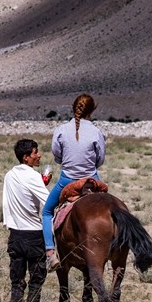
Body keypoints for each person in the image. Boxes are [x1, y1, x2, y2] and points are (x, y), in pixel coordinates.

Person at [43, 93, 106, 271]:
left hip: (67, 180)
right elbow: (100, 159)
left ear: (74, 108)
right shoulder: (96, 132)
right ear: (92, 111)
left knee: (47, 212)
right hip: (91, 180)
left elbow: (57, 155)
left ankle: (50, 253)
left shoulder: (61, 130)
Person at [2, 138, 50, 302]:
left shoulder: (9, 175)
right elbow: (48, 202)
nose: (39, 156)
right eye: (35, 153)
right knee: (36, 283)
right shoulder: (34, 176)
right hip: (34, 236)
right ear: (26, 157)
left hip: (15, 235)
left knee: (17, 282)